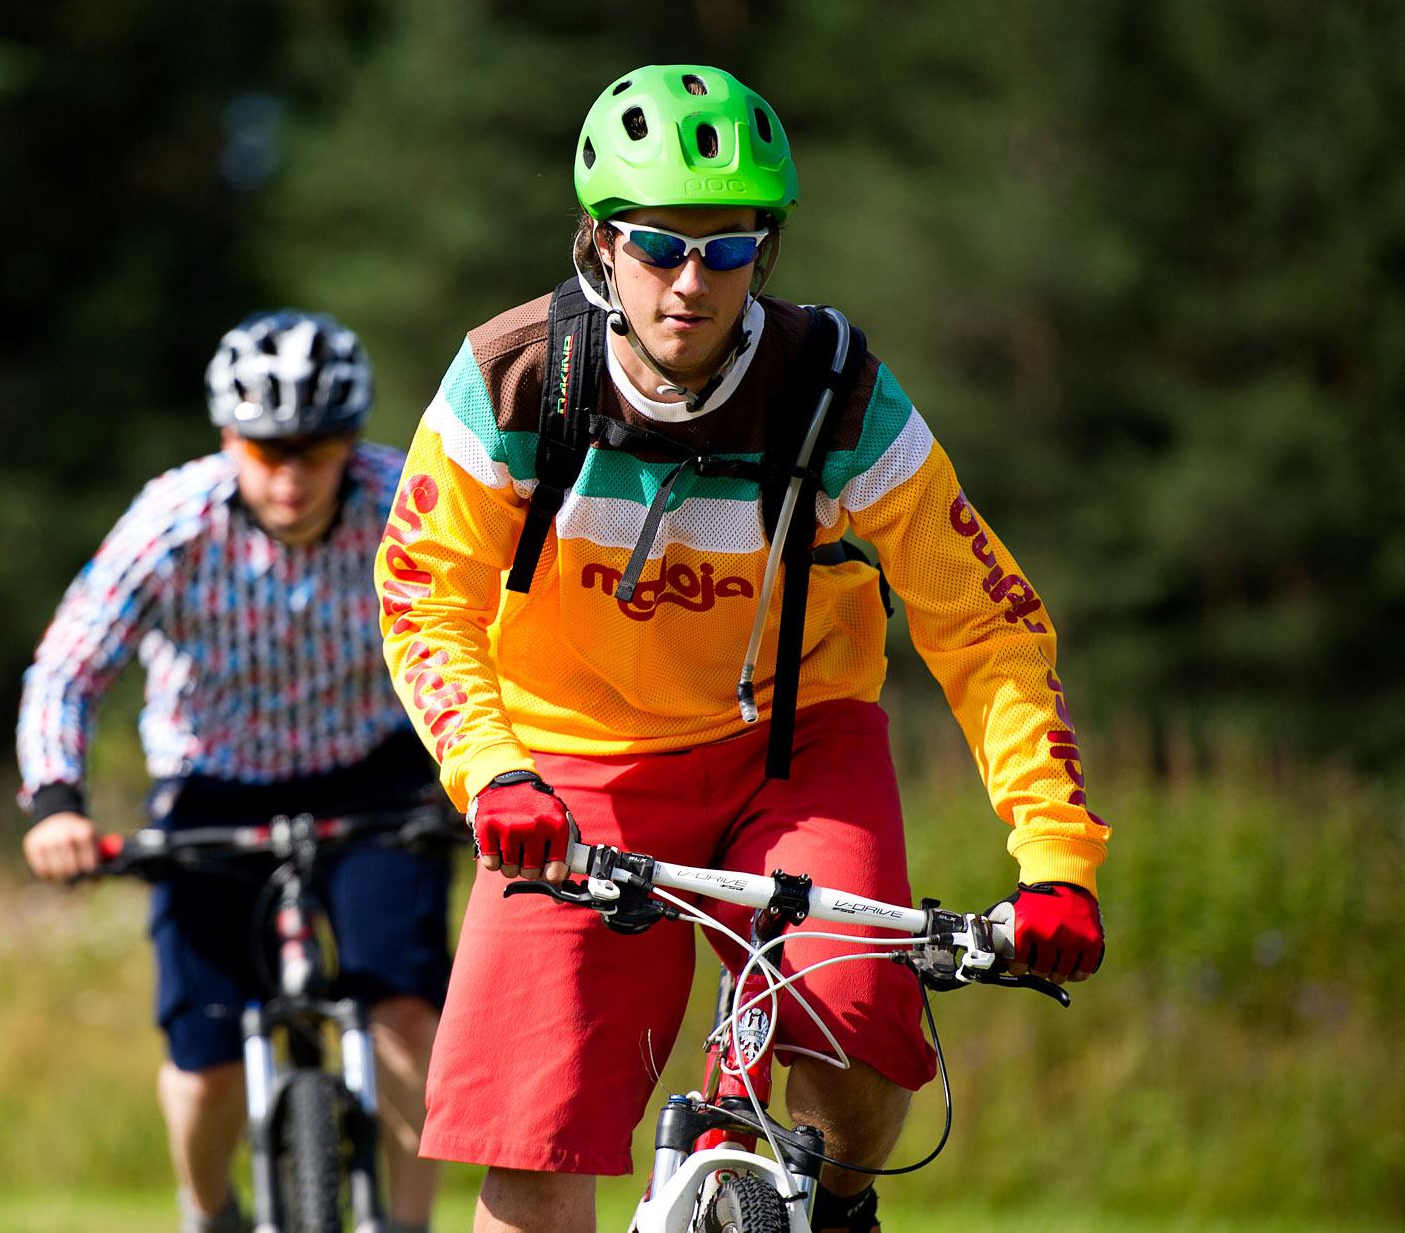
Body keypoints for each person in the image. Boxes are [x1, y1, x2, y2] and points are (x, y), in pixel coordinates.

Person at [373, 65, 1110, 1233]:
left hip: (791, 747)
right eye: (659, 244)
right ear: (598, 244)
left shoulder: (833, 391)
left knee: (860, 1031)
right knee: (526, 1146)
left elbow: (984, 622)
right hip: (567, 762)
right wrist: (491, 770)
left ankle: (832, 1207)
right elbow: (422, 594)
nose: (688, 281)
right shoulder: (514, 378)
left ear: (762, 255)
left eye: (727, 250)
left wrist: (1056, 857)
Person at [19, 310, 450, 1233]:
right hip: (211, 785)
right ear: (228, 439)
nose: (290, 476)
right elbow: (69, 665)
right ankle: (209, 1209)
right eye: (265, 451)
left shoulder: (406, 503)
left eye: (316, 450)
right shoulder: (174, 519)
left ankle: (409, 1226)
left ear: (351, 442)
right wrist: (57, 803)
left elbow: (497, 627)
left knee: (407, 1020)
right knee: (205, 1050)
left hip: (370, 774)